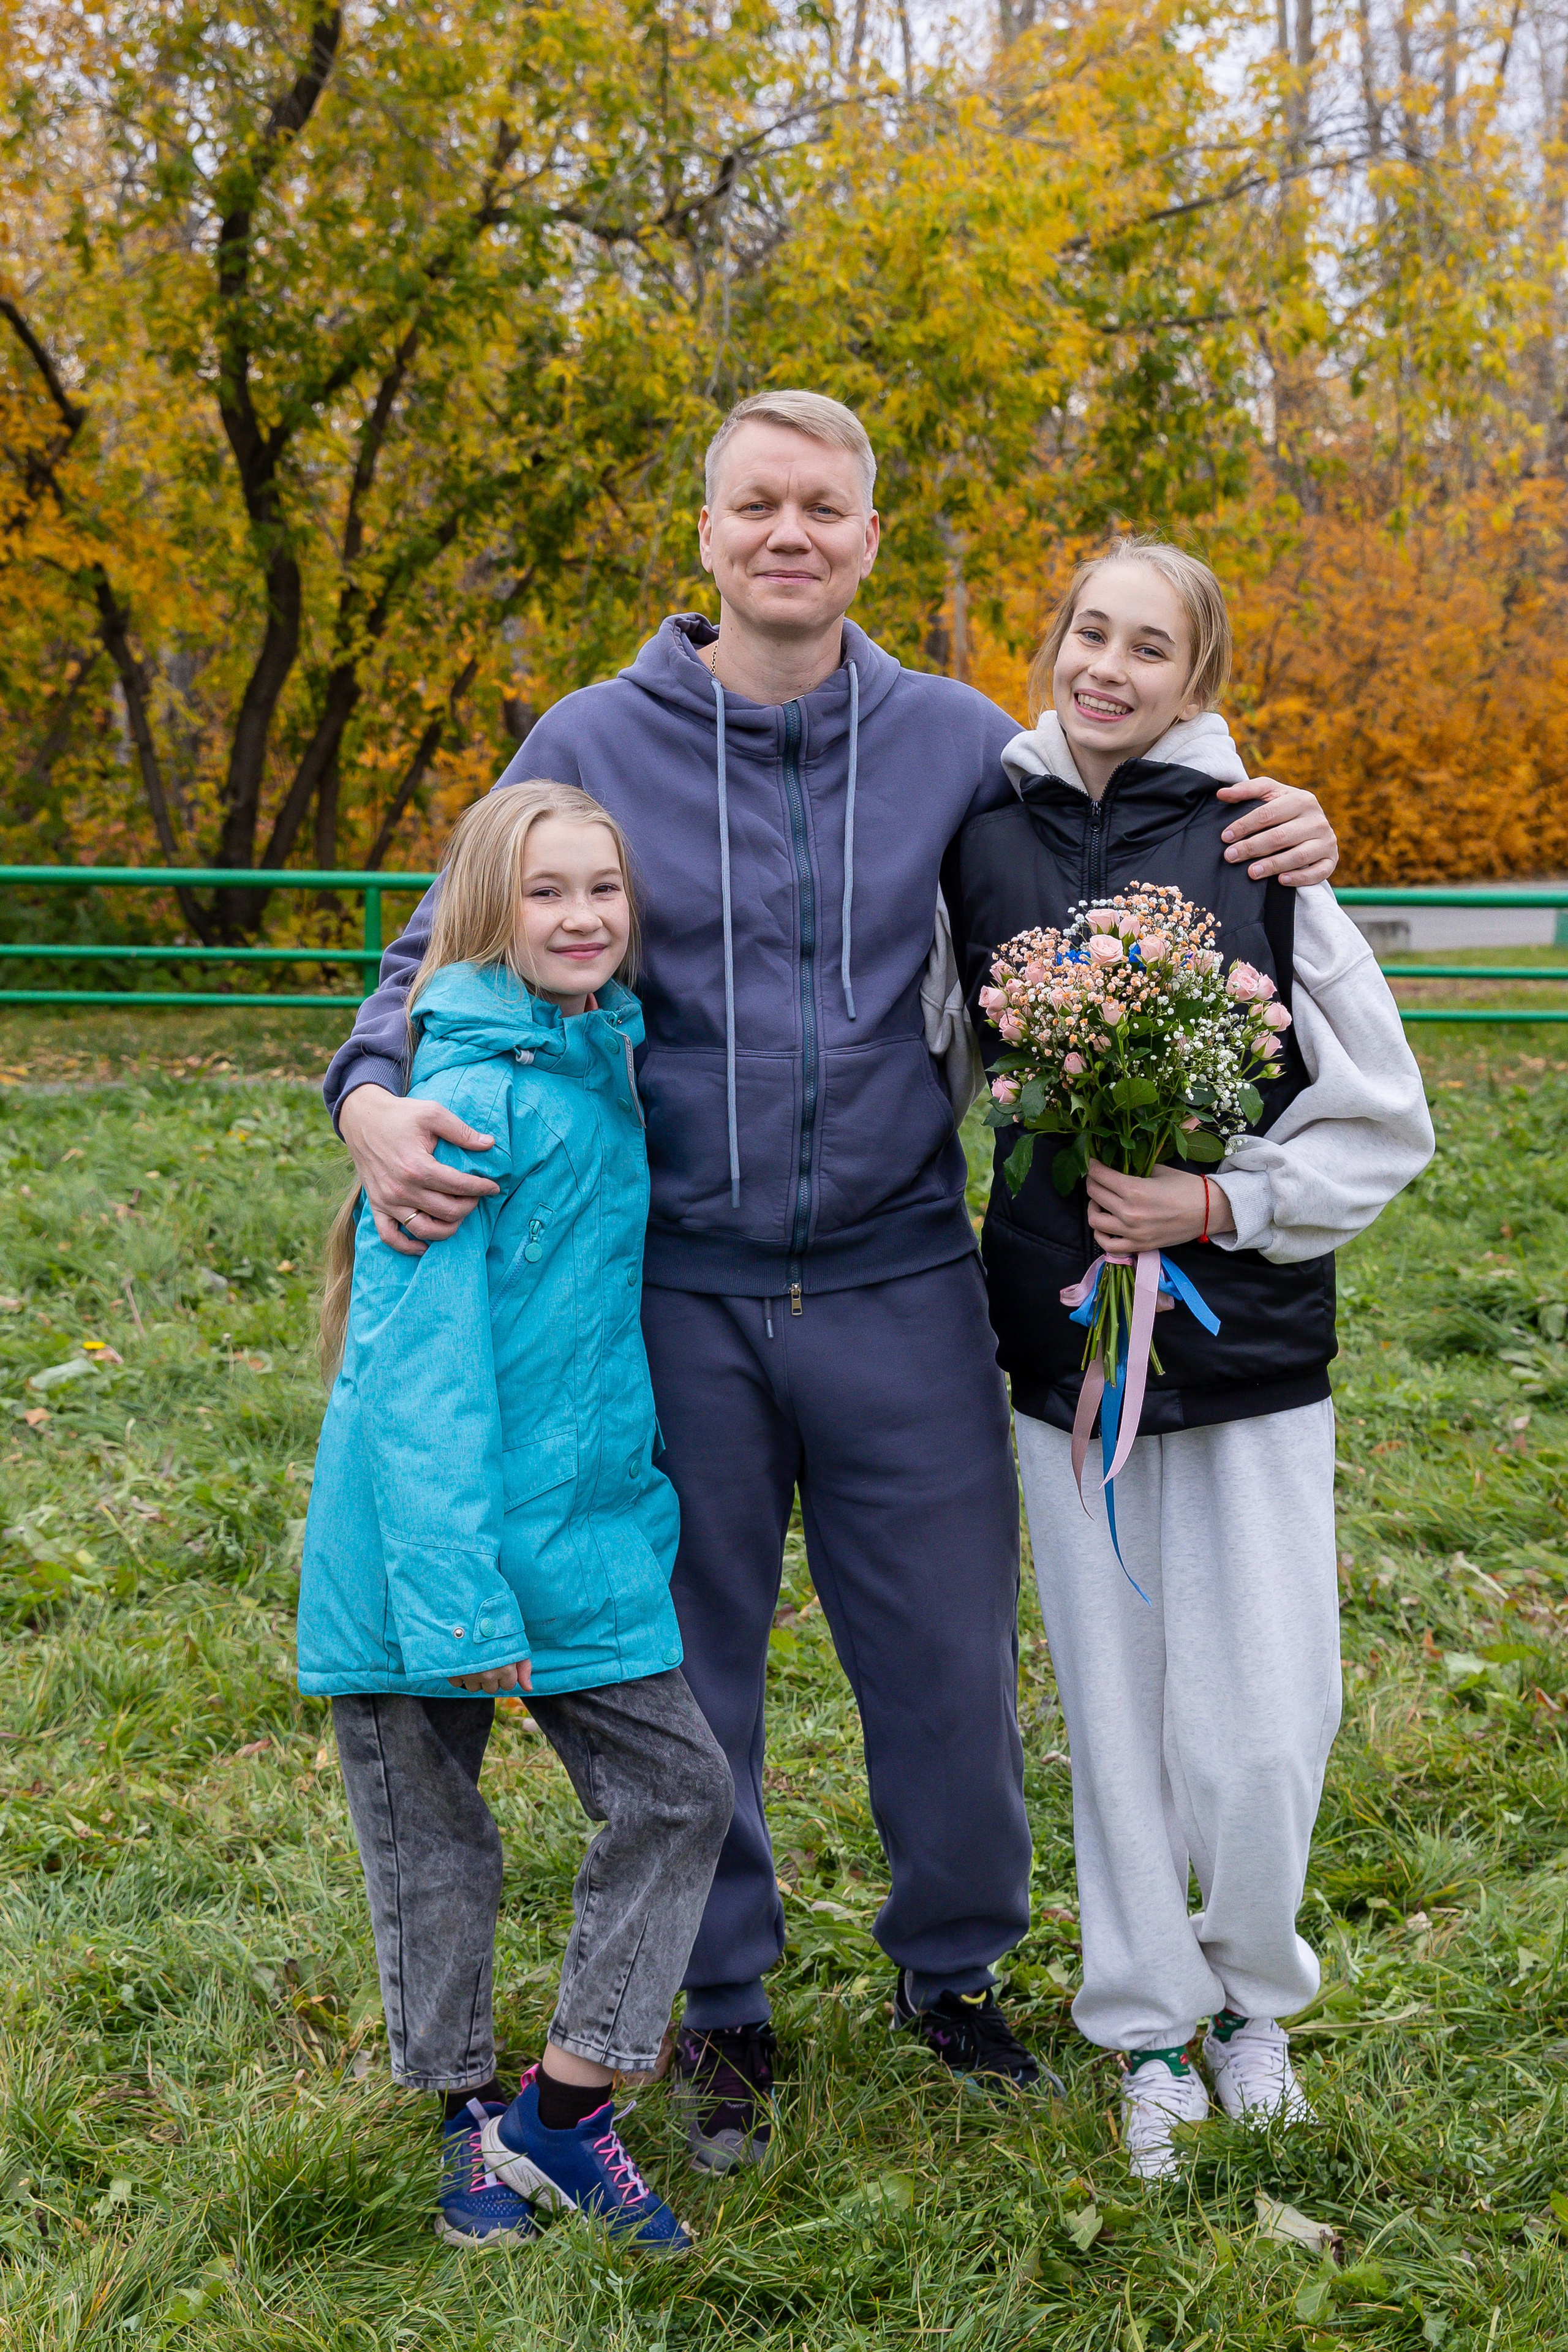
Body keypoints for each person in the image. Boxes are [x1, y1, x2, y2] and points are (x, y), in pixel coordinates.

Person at [322, 390, 1343, 2173]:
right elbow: (442, 939)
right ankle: (721, 2010)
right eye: (755, 507)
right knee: (684, 1663)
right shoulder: (591, 733)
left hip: (899, 1279)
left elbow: (1127, 794)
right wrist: (368, 1102)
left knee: (946, 1657)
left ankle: (955, 1975)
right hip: (676, 1298)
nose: (789, 535)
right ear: (707, 533)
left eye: (825, 509)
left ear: (870, 538)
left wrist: (1280, 815)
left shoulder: (959, 740)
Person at [952, 536, 1433, 2181]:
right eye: (1089, 629)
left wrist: (1222, 1199)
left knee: (1257, 1724)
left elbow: (1387, 1119)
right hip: (1062, 1355)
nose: (1109, 666)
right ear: (1055, 638)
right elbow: (930, 1059)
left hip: (1244, 1360)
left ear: (1197, 679)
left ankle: (1255, 2003)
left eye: (1150, 647)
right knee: (1112, 1710)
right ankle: (1151, 2024)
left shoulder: (1264, 846)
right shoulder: (983, 835)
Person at [298, 782, 733, 2252]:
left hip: (574, 1530)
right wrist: (456, 1604)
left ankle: (561, 2110)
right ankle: (470, 2130)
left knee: (677, 1793)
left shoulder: (594, 1060)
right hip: (429, 1548)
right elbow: (416, 1380)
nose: (582, 918)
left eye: (603, 890)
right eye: (546, 892)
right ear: (487, 909)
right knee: (431, 1843)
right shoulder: (461, 1099)